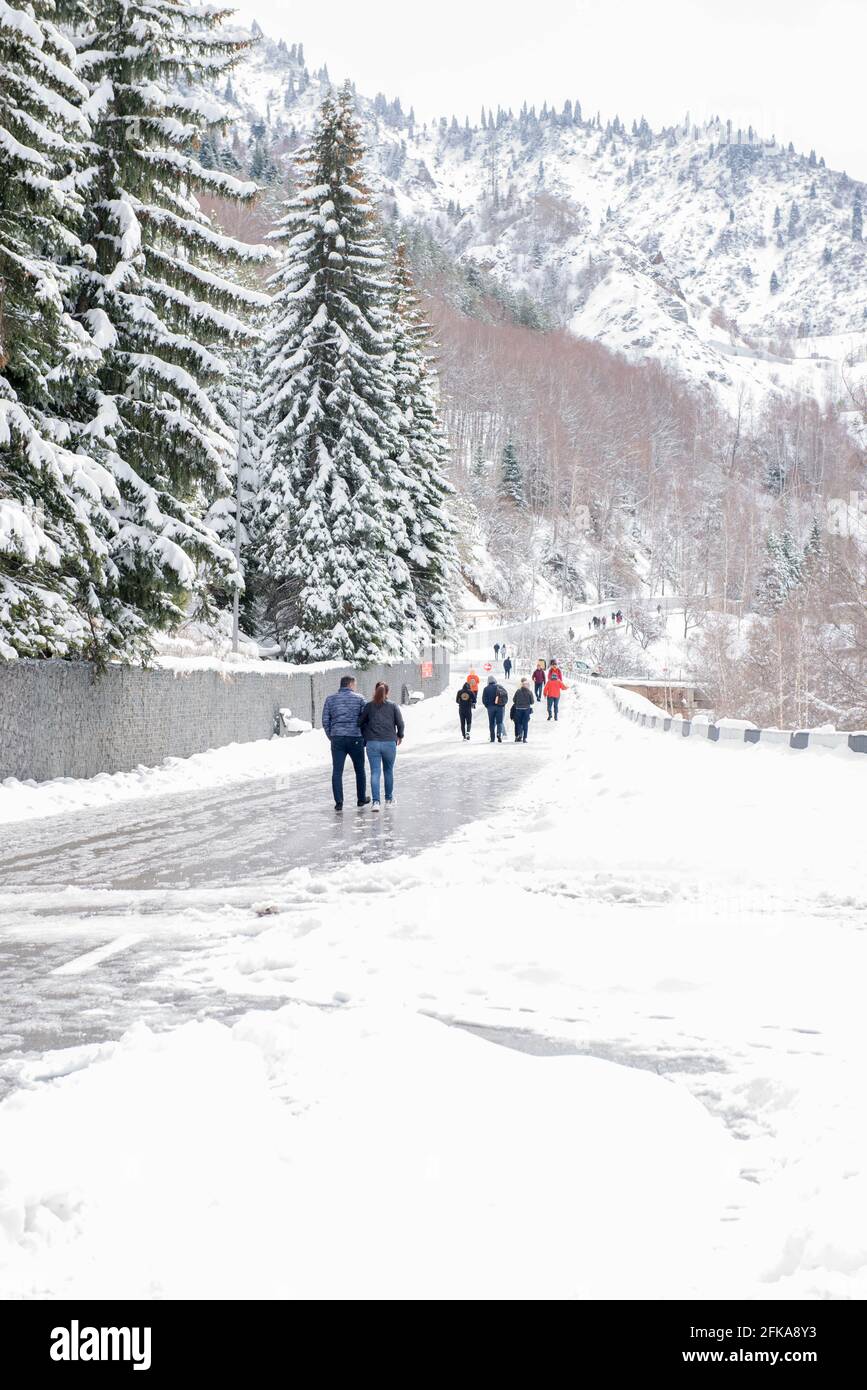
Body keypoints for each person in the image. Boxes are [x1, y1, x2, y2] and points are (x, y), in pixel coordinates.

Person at [322, 674, 370, 810]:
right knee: (359, 769)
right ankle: (361, 799)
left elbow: (326, 720)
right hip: (355, 738)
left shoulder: (330, 699)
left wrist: (331, 735)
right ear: (350, 684)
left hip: (337, 738)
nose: (355, 687)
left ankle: (339, 802)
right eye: (354, 684)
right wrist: (364, 737)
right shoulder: (360, 699)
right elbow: (366, 719)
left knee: (337, 771)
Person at [360, 681, 404, 811]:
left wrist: (366, 735)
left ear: (375, 691)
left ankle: (376, 803)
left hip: (372, 744)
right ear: (388, 693)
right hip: (389, 743)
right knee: (388, 771)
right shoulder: (393, 706)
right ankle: (389, 800)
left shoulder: (368, 706)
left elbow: (360, 722)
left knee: (375, 772)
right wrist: (400, 735)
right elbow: (400, 723)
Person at [482, 675, 508, 742]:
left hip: (490, 708)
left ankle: (492, 738)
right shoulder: (499, 687)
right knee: (499, 722)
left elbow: (484, 699)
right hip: (499, 707)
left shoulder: (486, 689)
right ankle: (499, 734)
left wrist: (487, 706)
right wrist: (502, 704)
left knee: (491, 723)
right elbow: (505, 696)